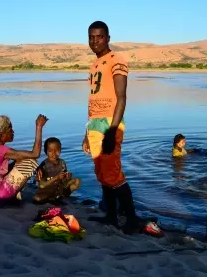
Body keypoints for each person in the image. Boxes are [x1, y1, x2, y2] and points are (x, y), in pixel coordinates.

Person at [82, 21, 139, 234]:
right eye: (91, 37)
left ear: (108, 38)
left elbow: (122, 98)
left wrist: (112, 130)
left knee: (113, 173)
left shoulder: (117, 60)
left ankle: (132, 218)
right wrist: (86, 133)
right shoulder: (95, 65)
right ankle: (111, 215)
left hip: (109, 123)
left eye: (99, 37)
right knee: (102, 172)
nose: (95, 41)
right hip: (94, 124)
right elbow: (92, 100)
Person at [0, 114, 48, 206]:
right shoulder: (1, 150)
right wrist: (39, 127)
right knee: (30, 162)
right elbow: (35, 154)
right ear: (3, 134)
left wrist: (34, 167)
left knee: (22, 160)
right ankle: (12, 198)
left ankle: (11, 196)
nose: (13, 132)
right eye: (10, 130)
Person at [33, 137, 81, 203]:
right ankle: (53, 197)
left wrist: (67, 177)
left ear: (60, 150)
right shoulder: (43, 165)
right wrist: (57, 177)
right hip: (47, 190)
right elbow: (41, 185)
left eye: (57, 150)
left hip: (59, 188)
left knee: (77, 181)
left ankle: (62, 195)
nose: (54, 154)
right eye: (50, 151)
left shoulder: (62, 163)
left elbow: (63, 180)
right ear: (45, 151)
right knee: (37, 198)